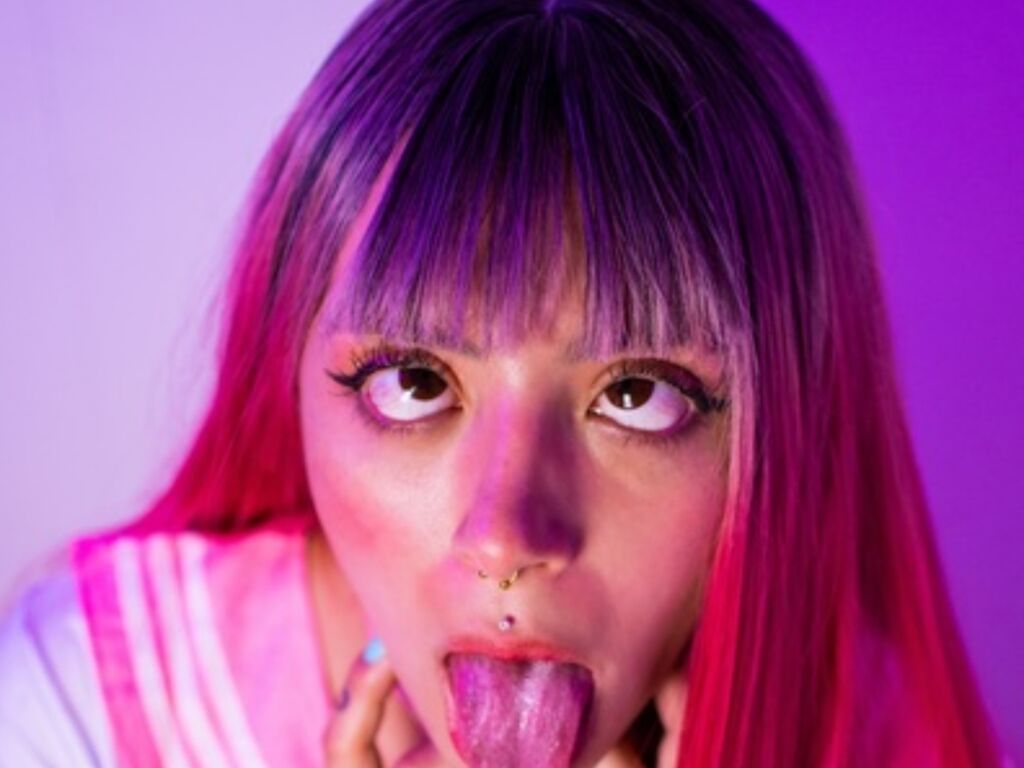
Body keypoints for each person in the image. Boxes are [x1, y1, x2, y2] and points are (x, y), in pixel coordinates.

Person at [0, 0, 1007, 765]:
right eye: (410, 382)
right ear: (289, 377)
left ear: (785, 420)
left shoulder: (876, 734)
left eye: (637, 397)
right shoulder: (73, 706)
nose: (505, 536)